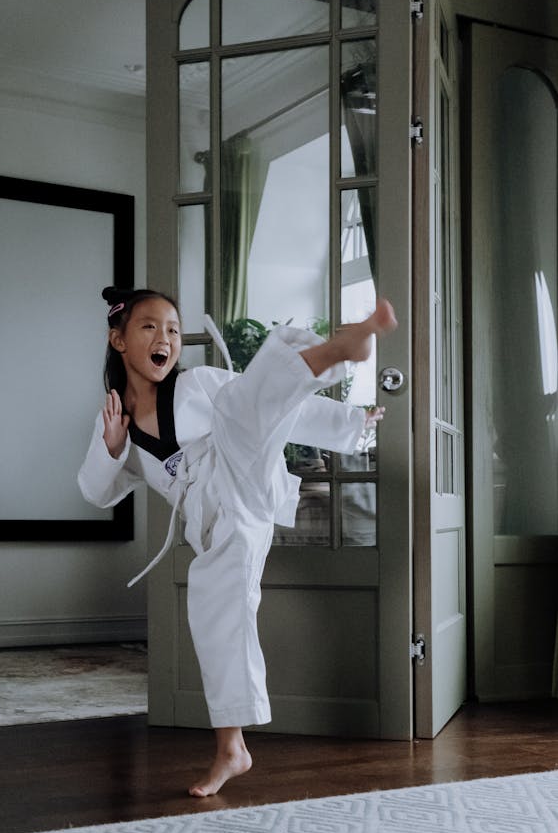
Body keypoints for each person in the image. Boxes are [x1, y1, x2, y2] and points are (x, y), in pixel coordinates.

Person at [78, 286, 397, 797]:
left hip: (242, 474)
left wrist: (351, 423)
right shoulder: (113, 422)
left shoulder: (199, 384)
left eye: (174, 330)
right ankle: (232, 748)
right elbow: (95, 492)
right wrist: (113, 447)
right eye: (150, 327)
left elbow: (273, 407)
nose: (167, 339)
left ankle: (337, 348)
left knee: (241, 404)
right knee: (213, 613)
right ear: (119, 340)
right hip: (216, 524)